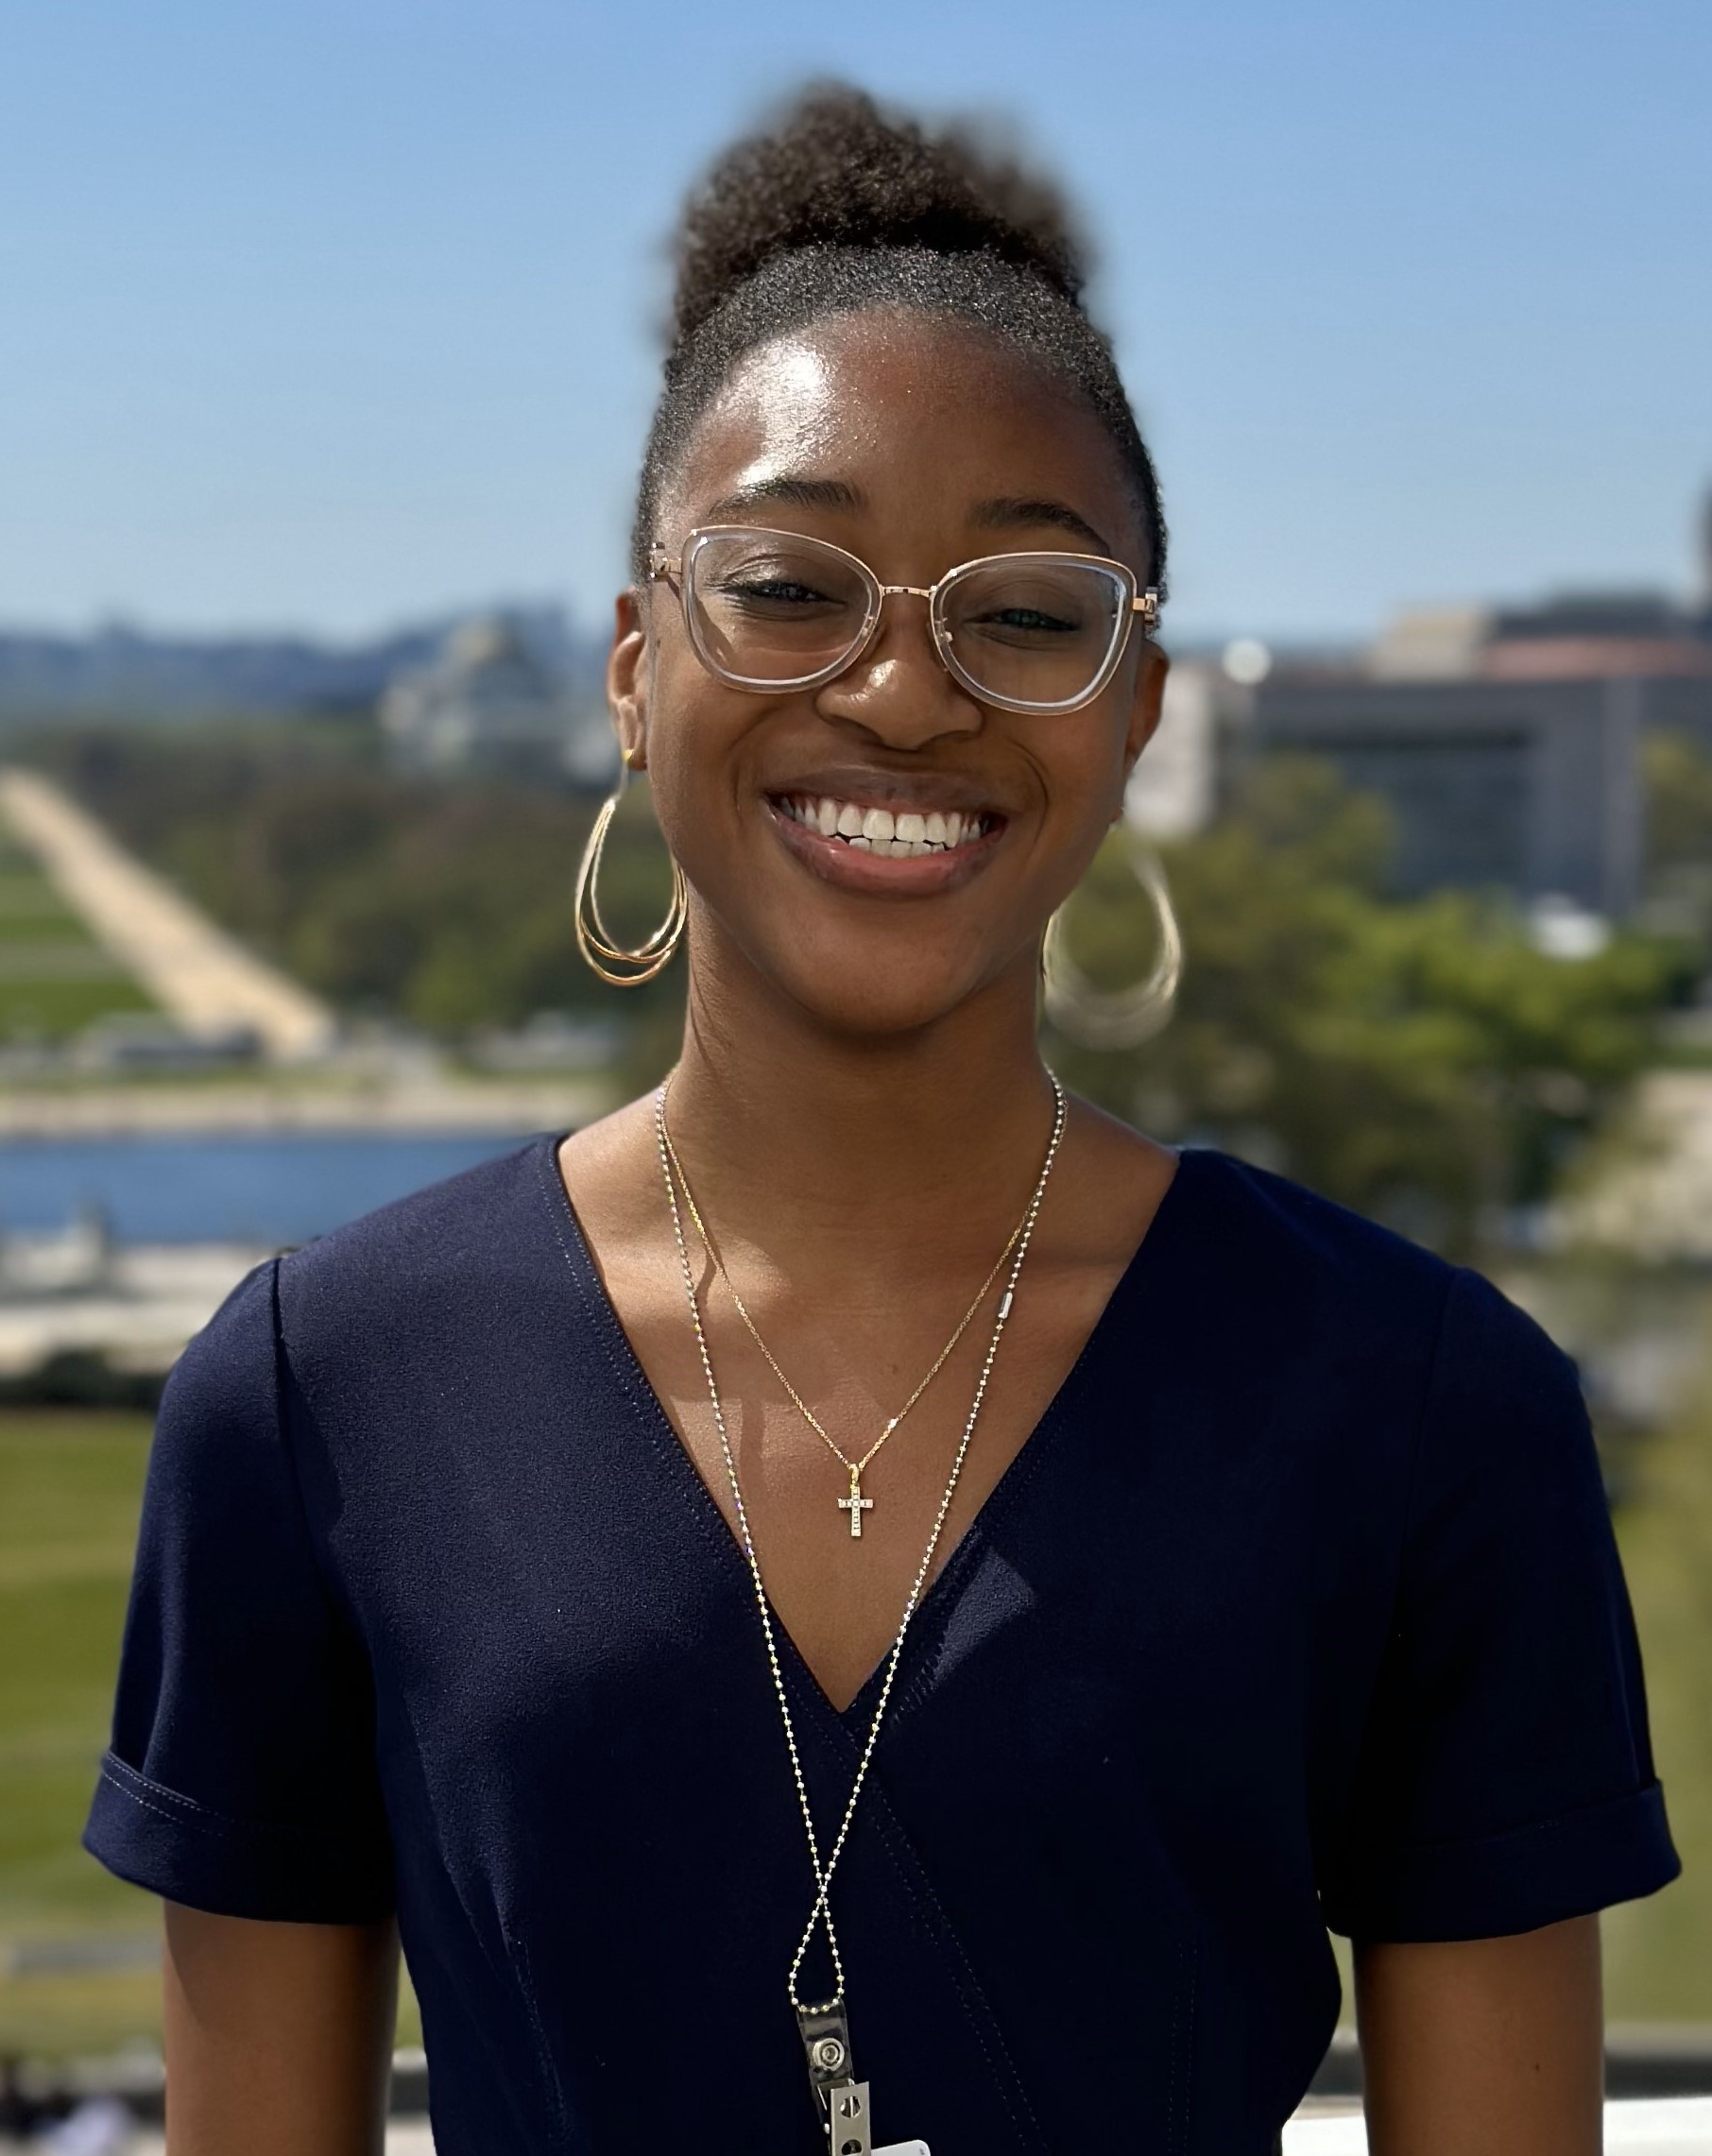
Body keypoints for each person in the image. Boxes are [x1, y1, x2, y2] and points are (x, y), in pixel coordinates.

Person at [84, 85, 1679, 2156]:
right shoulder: (316, 1393)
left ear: (1134, 711)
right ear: (638, 667)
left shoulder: (1422, 1406)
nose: (907, 695)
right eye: (790, 587)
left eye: (1024, 612)